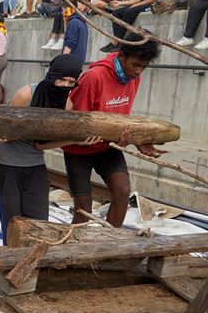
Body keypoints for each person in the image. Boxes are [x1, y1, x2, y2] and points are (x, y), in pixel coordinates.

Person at [65, 38, 164, 227]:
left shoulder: (133, 78)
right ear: (121, 56)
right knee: (83, 209)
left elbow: (121, 117)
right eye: (135, 65)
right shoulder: (93, 77)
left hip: (107, 147)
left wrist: (135, 139)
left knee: (122, 191)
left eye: (143, 67)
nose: (138, 71)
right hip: (79, 150)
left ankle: (110, 240)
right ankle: (73, 250)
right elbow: (79, 123)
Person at [0, 55, 89, 241]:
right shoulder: (27, 94)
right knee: (12, 223)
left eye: (71, 81)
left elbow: (41, 144)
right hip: (6, 165)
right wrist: (8, 133)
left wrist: (73, 140)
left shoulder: (66, 104)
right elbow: (4, 126)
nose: (65, 85)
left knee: (39, 222)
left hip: (35, 166)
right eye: (61, 79)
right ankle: (10, 264)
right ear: (52, 75)